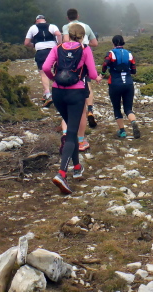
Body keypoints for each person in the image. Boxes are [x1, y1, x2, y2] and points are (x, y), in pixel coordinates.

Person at [43, 23, 101, 194]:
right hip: (76, 94)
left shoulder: (57, 48)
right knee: (71, 133)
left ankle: (77, 167)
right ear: (82, 37)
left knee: (72, 130)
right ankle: (62, 174)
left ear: (68, 34)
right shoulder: (85, 49)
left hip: (58, 93)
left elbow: (45, 67)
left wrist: (54, 78)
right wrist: (97, 77)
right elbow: (92, 74)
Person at [61, 8, 99, 150]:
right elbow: (95, 43)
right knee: (87, 83)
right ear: (78, 16)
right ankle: (90, 108)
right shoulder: (86, 26)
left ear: (67, 17)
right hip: (84, 55)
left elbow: (65, 41)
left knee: (67, 106)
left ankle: (66, 134)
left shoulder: (66, 27)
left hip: (68, 62)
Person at [102, 35, 140, 139]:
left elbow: (105, 65)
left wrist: (102, 73)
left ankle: (122, 131)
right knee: (128, 108)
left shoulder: (111, 53)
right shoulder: (129, 54)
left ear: (113, 43)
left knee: (117, 108)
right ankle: (133, 121)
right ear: (123, 42)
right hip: (128, 83)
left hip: (115, 83)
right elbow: (134, 70)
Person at [24, 14, 62, 107]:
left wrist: (34, 45)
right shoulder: (52, 26)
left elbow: (26, 42)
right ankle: (60, 92)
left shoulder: (33, 28)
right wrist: (59, 44)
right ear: (45, 20)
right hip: (53, 50)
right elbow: (58, 34)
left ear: (36, 21)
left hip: (41, 52)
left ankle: (48, 94)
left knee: (43, 73)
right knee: (57, 71)